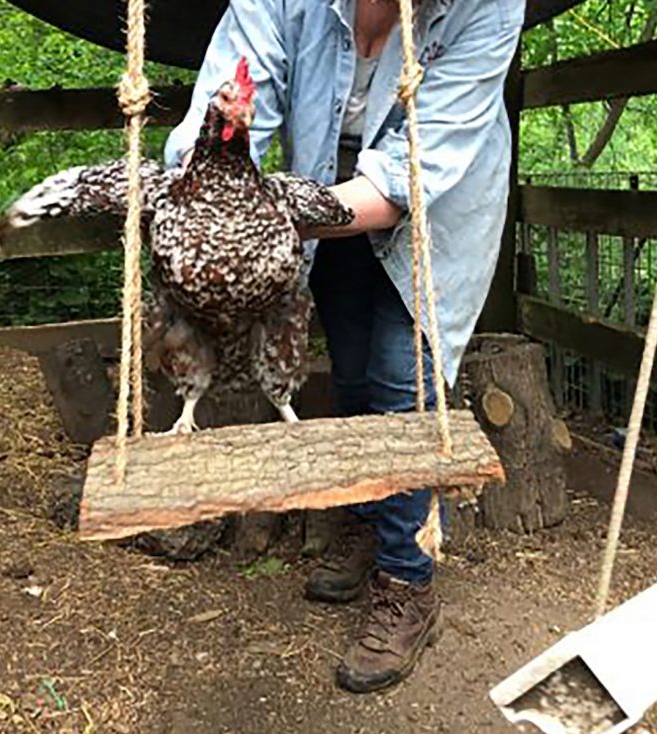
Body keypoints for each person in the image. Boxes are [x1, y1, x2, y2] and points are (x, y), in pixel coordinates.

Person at [165, 0, 524, 693]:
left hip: (434, 199)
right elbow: (234, 107)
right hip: (318, 182)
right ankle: (370, 521)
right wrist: (209, 196)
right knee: (353, 366)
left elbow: (409, 176)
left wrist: (260, 221)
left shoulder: (489, 5)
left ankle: (408, 582)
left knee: (401, 378)